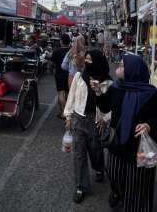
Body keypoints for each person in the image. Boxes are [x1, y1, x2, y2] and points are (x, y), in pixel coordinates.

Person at [94, 54, 157, 211]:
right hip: (118, 145)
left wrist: (149, 125)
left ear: (132, 70)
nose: (118, 67)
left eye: (122, 65)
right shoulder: (116, 87)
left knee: (137, 188)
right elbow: (105, 107)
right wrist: (99, 94)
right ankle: (118, 193)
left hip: (140, 150)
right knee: (114, 175)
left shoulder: (150, 93)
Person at [64, 50, 111, 204]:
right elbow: (72, 96)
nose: (87, 62)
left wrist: (105, 119)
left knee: (95, 149)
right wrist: (69, 116)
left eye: (91, 60)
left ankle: (99, 168)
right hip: (78, 119)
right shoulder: (79, 77)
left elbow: (110, 105)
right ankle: (81, 187)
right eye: (86, 59)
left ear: (98, 61)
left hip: (95, 121)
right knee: (79, 155)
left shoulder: (107, 82)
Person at [51, 34, 71, 119]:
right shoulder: (71, 51)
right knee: (68, 93)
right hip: (69, 74)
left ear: (61, 41)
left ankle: (63, 112)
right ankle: (68, 112)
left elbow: (52, 63)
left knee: (61, 93)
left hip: (59, 74)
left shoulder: (56, 51)